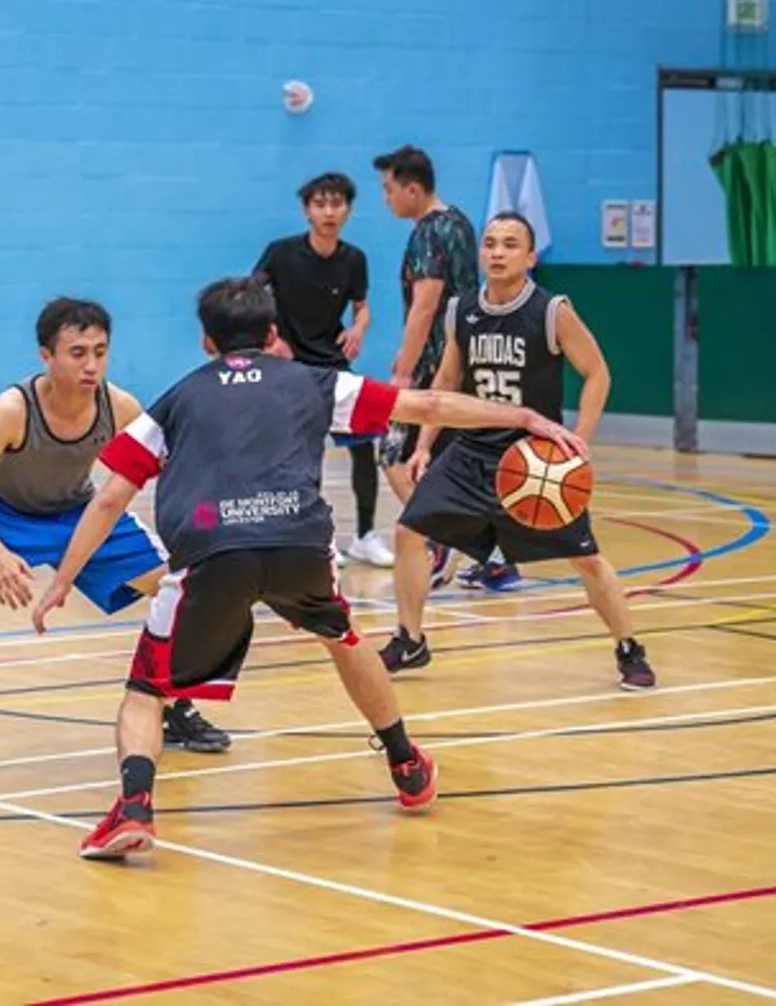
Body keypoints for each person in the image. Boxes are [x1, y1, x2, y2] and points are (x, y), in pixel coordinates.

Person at [29, 276, 588, 861]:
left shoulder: (176, 400)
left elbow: (109, 498)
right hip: (297, 543)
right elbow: (427, 404)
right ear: (273, 334)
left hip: (213, 552)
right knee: (344, 637)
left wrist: (64, 579)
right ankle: (406, 763)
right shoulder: (313, 382)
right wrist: (523, 416)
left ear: (206, 340)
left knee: (146, 690)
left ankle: (135, 808)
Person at [0, 298, 230, 776]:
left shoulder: (119, 406)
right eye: (77, 353)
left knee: (179, 591)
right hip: (5, 516)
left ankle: (174, 704)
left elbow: (176, 467)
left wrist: (209, 516)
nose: (91, 365)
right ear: (46, 356)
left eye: (100, 352)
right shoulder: (13, 409)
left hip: (79, 514)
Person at [377, 213, 656, 690]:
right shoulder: (461, 309)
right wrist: (424, 444)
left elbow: (597, 373)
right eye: (490, 243)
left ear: (530, 257)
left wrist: (580, 442)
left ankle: (629, 648)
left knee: (586, 558)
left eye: (510, 244)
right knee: (408, 532)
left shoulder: (551, 311)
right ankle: (410, 639)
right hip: (470, 452)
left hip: (533, 459)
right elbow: (447, 381)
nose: (498, 252)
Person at [371, 144, 518, 592]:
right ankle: (496, 558)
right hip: (469, 359)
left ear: (413, 189)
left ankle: (440, 540)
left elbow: (426, 302)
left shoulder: (428, 232)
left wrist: (404, 370)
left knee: (394, 454)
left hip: (437, 366)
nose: (386, 198)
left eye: (389, 189)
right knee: (459, 466)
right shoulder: (460, 223)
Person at [250, 172, 389, 566]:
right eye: (320, 204)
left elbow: (362, 306)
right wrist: (272, 339)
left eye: (337, 203)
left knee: (364, 445)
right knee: (305, 453)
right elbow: (251, 295)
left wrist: (358, 328)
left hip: (334, 365)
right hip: (291, 367)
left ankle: (365, 535)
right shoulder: (280, 253)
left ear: (348, 210)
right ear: (307, 211)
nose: (329, 212)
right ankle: (313, 537)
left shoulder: (354, 259)